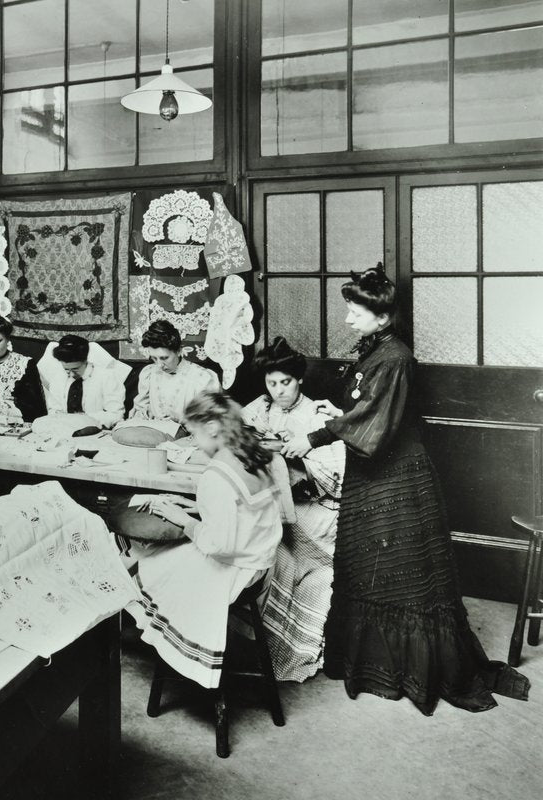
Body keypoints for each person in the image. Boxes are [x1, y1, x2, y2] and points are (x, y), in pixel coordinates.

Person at [281, 266, 529, 713]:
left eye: (355, 312)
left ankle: (407, 671)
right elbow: (364, 409)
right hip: (370, 474)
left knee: (404, 573)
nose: (348, 320)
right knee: (366, 565)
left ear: (381, 317)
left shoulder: (395, 356)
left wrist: (313, 437)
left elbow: (373, 421)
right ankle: (371, 664)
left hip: (396, 478)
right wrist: (330, 417)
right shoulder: (376, 348)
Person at [125, 391, 283, 689]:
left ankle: (156, 645)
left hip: (235, 571)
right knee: (157, 556)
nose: (194, 442)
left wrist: (182, 518)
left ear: (211, 428)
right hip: (260, 564)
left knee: (144, 559)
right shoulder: (252, 454)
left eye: (194, 433)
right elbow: (248, 508)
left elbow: (216, 545)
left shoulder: (216, 474)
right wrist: (199, 507)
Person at [242, 336, 346, 682]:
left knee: (282, 547)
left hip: (312, 507)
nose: (278, 391)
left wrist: (298, 459)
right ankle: (246, 640)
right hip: (272, 501)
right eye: (271, 383)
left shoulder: (316, 413)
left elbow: (336, 471)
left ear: (298, 380)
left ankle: (286, 647)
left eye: (285, 382)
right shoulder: (259, 408)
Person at [115, 320, 220, 445]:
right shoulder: (149, 373)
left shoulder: (202, 378)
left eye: (164, 358)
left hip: (188, 439)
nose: (159, 365)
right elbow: (141, 408)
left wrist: (181, 420)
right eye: (154, 358)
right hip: (153, 432)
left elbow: (212, 422)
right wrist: (142, 414)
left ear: (179, 351)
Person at [39, 334, 127, 432]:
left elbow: (116, 414)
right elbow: (54, 412)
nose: (71, 374)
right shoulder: (58, 378)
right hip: (65, 431)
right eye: (67, 370)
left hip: (97, 431)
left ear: (85, 361)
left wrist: (84, 419)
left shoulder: (106, 377)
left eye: (76, 369)